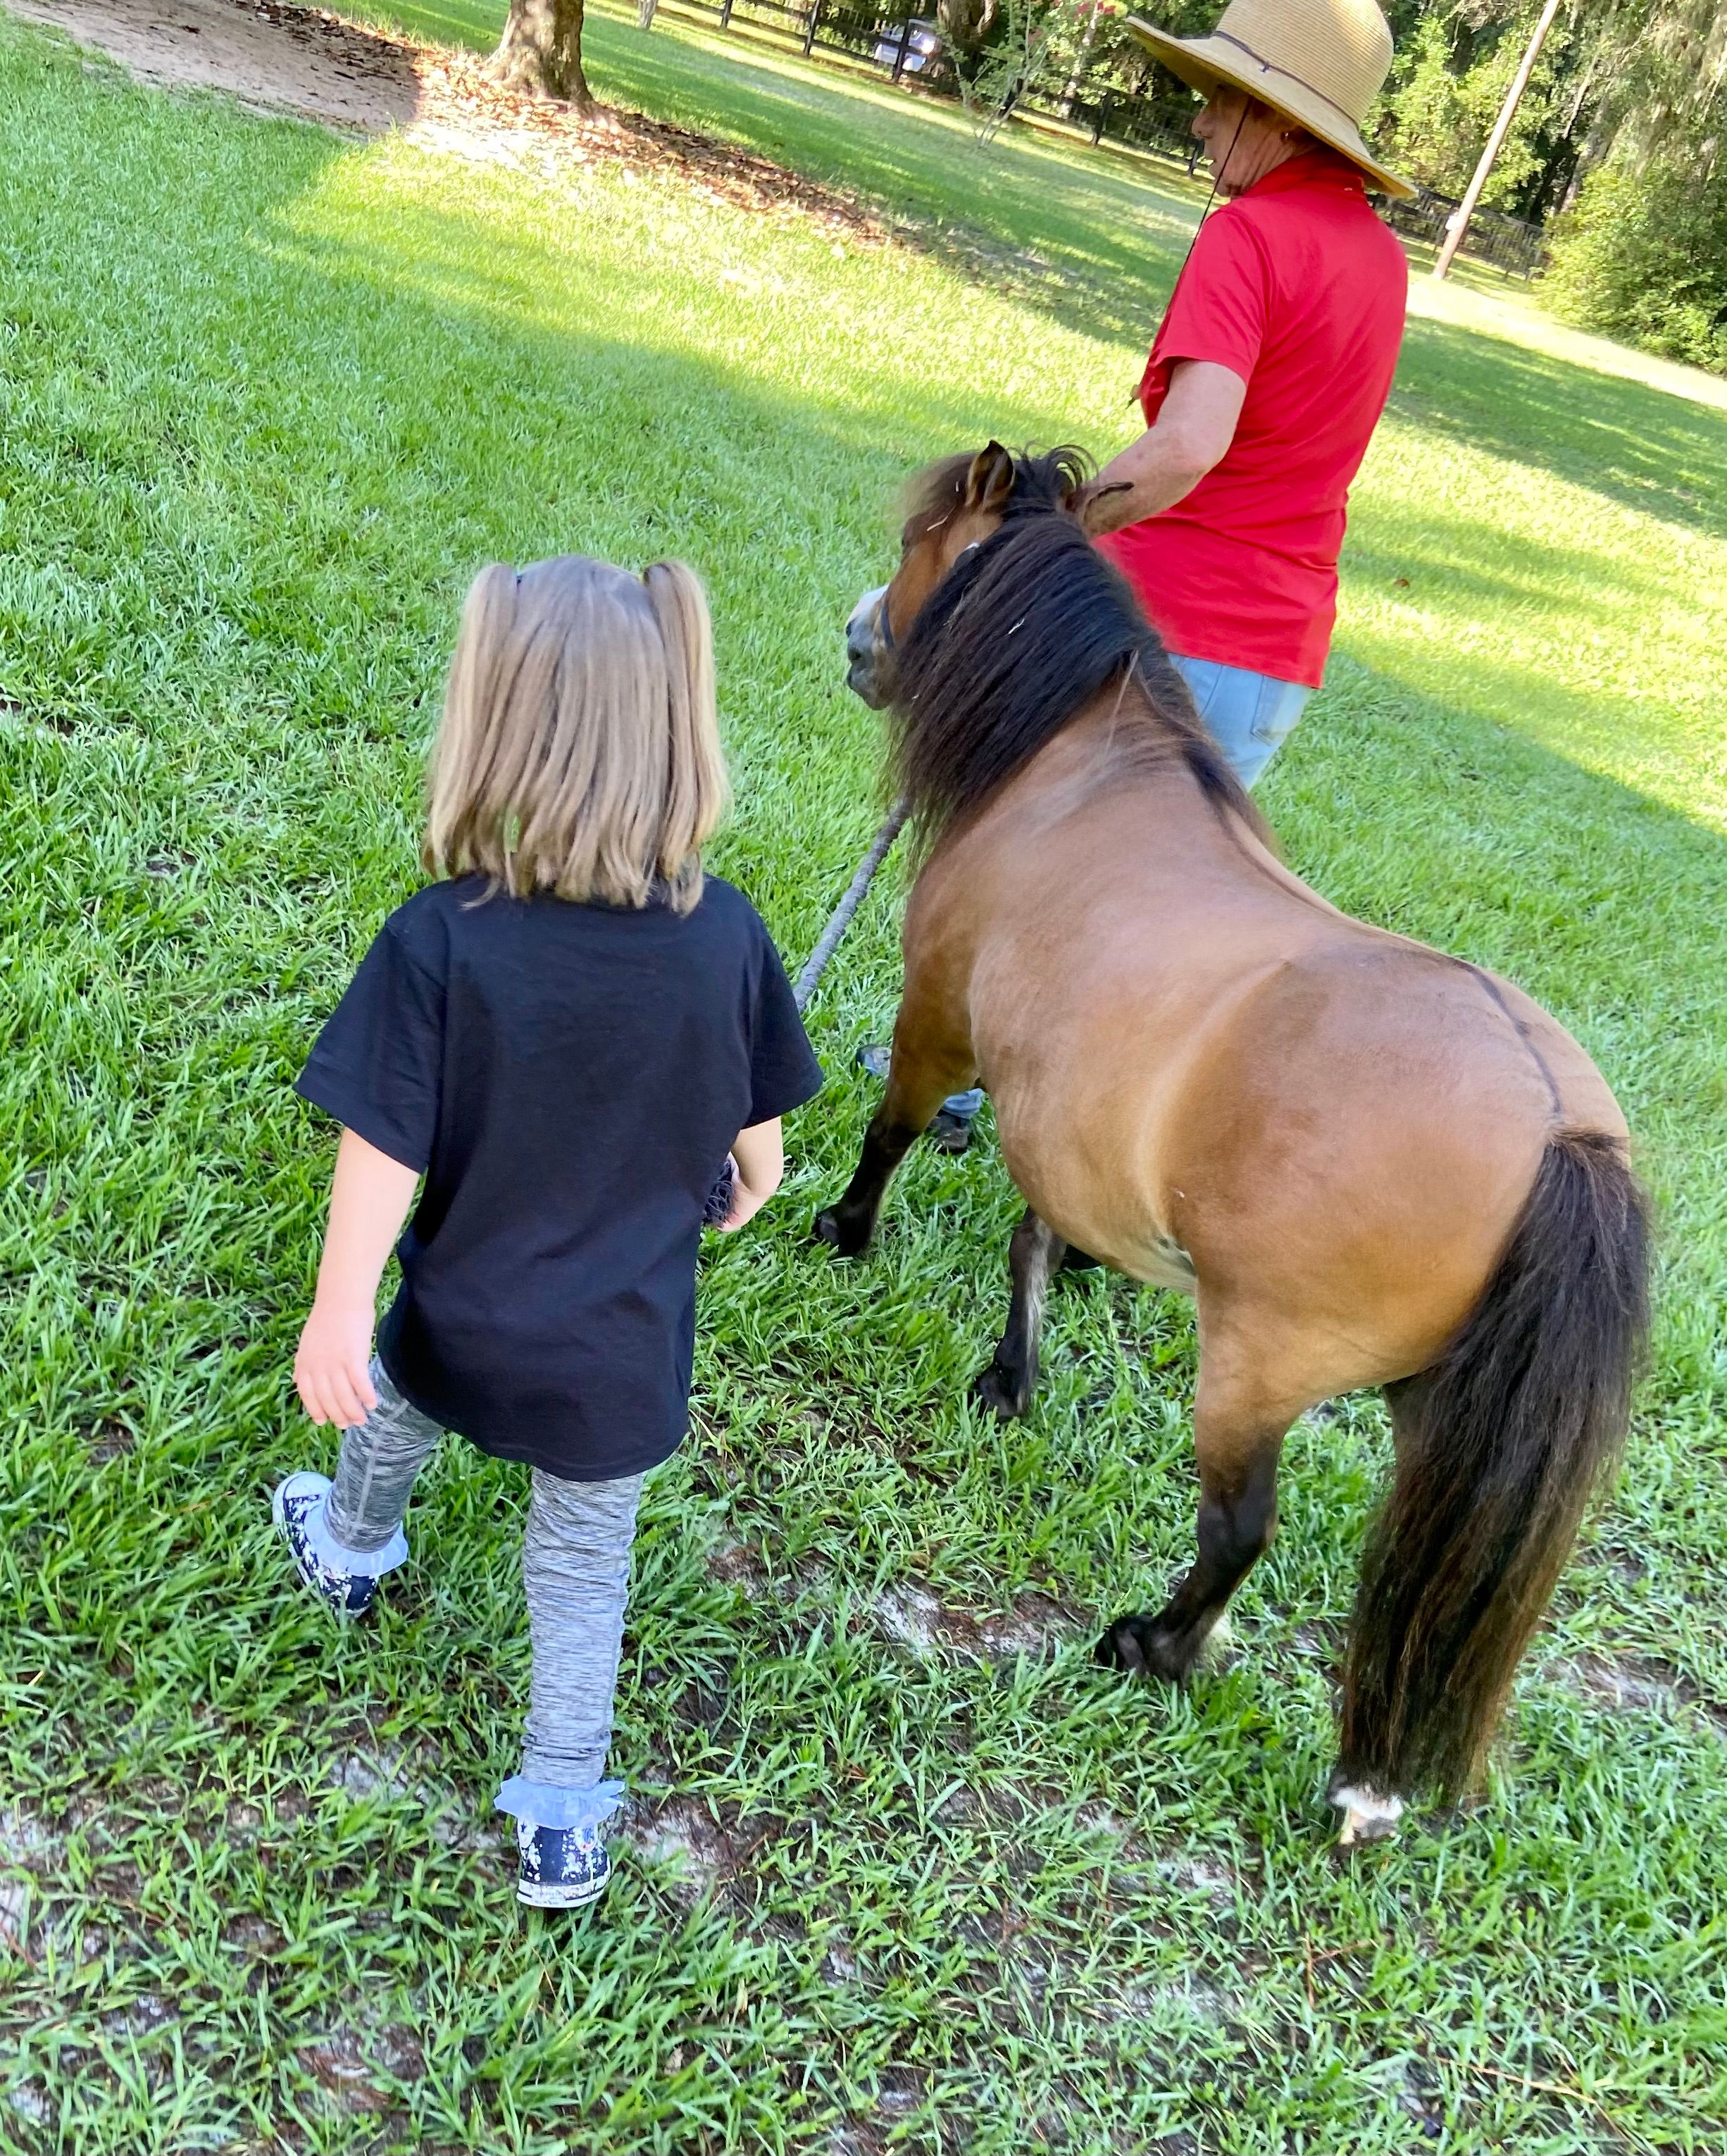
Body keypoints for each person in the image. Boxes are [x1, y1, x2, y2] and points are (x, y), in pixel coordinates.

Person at [274, 554, 823, 1912]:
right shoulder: (730, 937)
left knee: (394, 1400)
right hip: (618, 1361)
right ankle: (563, 1810)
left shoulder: (441, 940)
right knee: (582, 1570)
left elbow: (382, 1146)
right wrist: (744, 1176)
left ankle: (348, 1552)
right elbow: (760, 1147)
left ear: (496, 723)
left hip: (460, 1314)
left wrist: (340, 1310)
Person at [1086, 0, 1413, 787]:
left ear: (1276, 118)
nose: (1200, 123)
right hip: (1274, 663)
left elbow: (1190, 444)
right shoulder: (1382, 257)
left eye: (1221, 98)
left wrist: (1055, 526)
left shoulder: (1248, 234)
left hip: (1170, 632)